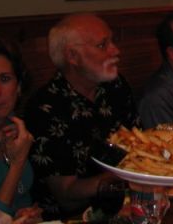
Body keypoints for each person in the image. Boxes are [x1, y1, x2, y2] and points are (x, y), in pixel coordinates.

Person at [25, 13, 138, 220]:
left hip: (127, 207)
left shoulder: (115, 87)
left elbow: (140, 145)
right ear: (72, 56)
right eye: (103, 45)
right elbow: (66, 194)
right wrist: (126, 177)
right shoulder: (45, 107)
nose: (115, 50)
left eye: (112, 41)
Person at [0, 35, 41, 223]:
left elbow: (20, 199)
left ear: (19, 86)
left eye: (4, 79)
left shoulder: (14, 129)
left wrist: (25, 214)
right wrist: (17, 164)